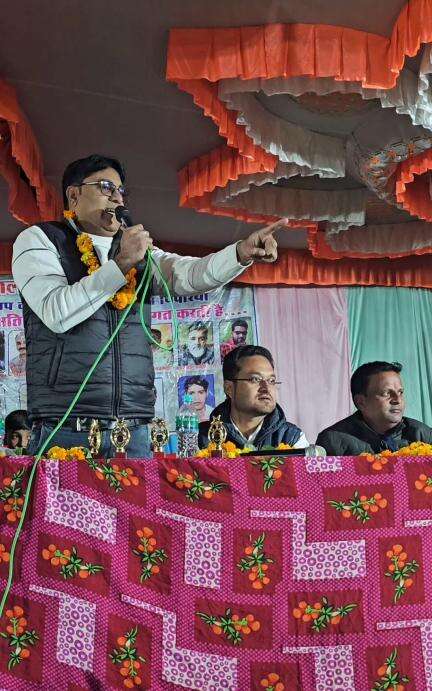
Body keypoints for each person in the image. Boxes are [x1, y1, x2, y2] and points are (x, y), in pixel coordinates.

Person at [12, 154, 286, 457]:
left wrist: (240, 253)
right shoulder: (40, 240)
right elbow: (55, 312)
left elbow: (190, 275)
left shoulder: (139, 253)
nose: (117, 198)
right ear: (74, 195)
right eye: (105, 187)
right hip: (65, 428)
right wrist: (121, 264)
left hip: (134, 430)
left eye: (121, 191)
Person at [199, 345, 308, 450]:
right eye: (255, 379)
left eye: (271, 381)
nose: (266, 388)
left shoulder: (292, 439)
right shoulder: (201, 438)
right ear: (229, 388)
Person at [316, 361, 432, 455]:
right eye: (386, 393)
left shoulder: (422, 435)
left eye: (400, 392)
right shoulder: (333, 441)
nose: (397, 400)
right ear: (361, 402)